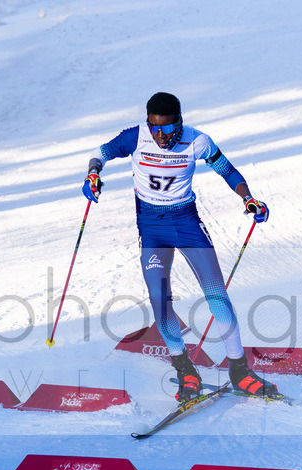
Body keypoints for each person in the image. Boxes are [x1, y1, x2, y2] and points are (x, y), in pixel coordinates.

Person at [82, 91, 278, 402]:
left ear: (179, 123)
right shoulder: (137, 137)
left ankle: (240, 371)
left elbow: (227, 170)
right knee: (160, 299)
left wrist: (248, 198)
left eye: (167, 129)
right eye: (154, 128)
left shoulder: (197, 141)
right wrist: (93, 174)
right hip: (152, 228)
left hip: (186, 224)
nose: (160, 136)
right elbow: (102, 153)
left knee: (216, 295)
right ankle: (185, 370)